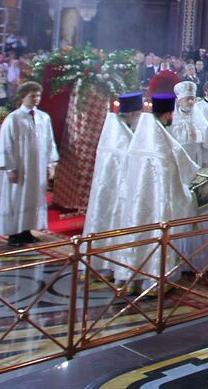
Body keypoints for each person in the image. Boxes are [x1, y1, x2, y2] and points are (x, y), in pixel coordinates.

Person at [115, 94, 200, 292]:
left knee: (137, 237)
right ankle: (153, 281)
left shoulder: (142, 134)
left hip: (137, 203)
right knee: (156, 235)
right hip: (158, 202)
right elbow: (188, 168)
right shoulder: (162, 138)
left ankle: (130, 277)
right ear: (167, 114)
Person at [0, 82, 57, 246]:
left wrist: (51, 164)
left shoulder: (44, 117)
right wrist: (10, 168)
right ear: (23, 97)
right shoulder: (13, 119)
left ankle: (27, 230)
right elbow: (6, 143)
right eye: (32, 96)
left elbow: (50, 142)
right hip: (21, 167)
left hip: (37, 167)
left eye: (38, 95)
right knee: (16, 198)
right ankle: (14, 233)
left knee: (33, 199)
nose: (36, 99)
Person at [83, 92, 144, 237]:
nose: (140, 116)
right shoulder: (119, 136)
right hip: (116, 189)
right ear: (133, 113)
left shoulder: (120, 129)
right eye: (139, 113)